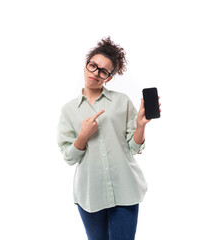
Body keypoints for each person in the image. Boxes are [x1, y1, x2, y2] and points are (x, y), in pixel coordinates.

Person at [57, 37, 160, 240]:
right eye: (93, 65)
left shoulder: (122, 101)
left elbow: (133, 148)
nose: (95, 73)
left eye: (103, 71)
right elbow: (68, 157)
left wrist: (140, 125)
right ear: (86, 64)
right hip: (90, 194)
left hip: (126, 189)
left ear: (109, 77)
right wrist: (82, 137)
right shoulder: (69, 110)